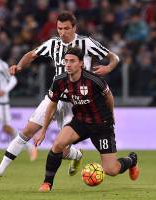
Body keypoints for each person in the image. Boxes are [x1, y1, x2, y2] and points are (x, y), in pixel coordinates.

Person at [0, 11, 120, 182]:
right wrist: (18, 66)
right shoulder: (53, 44)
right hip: (54, 96)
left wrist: (109, 67)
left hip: (77, 102)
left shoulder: (87, 43)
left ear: (74, 28)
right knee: (27, 131)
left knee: (62, 149)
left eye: (66, 28)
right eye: (59, 28)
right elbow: (32, 55)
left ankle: (76, 156)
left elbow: (113, 57)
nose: (62, 32)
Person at [34, 47, 140, 192]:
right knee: (58, 144)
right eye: (66, 61)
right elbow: (52, 105)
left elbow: (108, 96)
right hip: (81, 121)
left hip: (101, 124)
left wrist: (111, 114)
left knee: (111, 170)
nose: (68, 64)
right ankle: (47, 183)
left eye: (72, 61)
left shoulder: (94, 80)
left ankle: (132, 160)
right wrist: (43, 131)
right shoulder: (59, 81)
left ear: (81, 64)